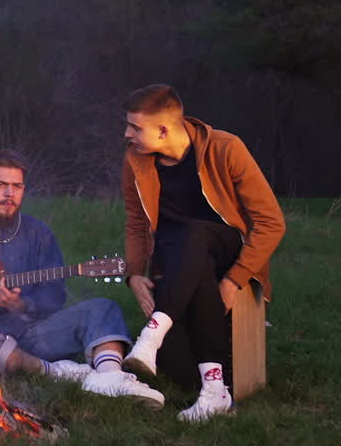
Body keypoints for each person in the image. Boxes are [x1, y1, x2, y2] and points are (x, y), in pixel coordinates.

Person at [0, 149, 164, 406]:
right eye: (1, 185)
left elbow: (55, 297)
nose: (9, 193)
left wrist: (20, 306)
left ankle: (109, 378)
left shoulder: (39, 234)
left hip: (29, 334)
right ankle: (52, 371)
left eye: (17, 186)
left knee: (103, 307)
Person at [119, 85, 286, 422]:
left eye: (135, 127)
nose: (127, 134)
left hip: (223, 249)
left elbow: (271, 222)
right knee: (180, 375)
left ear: (164, 129)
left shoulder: (226, 148)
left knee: (194, 232)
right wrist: (135, 274)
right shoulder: (135, 160)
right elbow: (136, 224)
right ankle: (215, 392)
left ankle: (152, 332)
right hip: (179, 268)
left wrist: (235, 280)